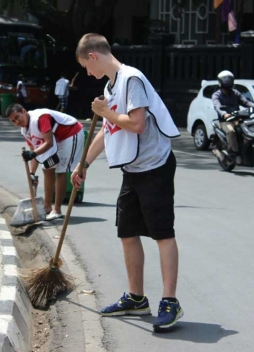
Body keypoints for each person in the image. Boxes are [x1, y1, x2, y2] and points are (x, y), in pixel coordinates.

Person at [71, 33, 182, 332]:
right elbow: (107, 131)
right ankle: (136, 297)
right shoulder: (111, 86)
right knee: (128, 232)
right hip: (132, 170)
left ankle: (170, 301)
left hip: (155, 166)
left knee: (162, 233)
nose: (87, 73)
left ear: (93, 56)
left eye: (85, 66)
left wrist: (106, 112)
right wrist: (84, 164)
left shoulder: (132, 79)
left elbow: (136, 123)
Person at [5, 104, 84, 221]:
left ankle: (56, 210)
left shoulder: (41, 118)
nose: (17, 122)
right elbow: (34, 150)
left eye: (17, 117)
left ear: (23, 111)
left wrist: (33, 154)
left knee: (61, 170)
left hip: (70, 134)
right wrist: (31, 173)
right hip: (56, 139)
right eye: (13, 121)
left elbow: (48, 143)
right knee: (47, 169)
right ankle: (47, 207)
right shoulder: (24, 130)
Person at [212, 70, 254, 164]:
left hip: (238, 119)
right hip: (225, 121)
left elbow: (245, 102)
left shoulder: (235, 93)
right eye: (225, 80)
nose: (227, 82)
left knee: (251, 126)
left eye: (229, 79)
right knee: (231, 131)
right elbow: (217, 106)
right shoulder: (216, 95)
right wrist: (224, 114)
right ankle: (234, 153)